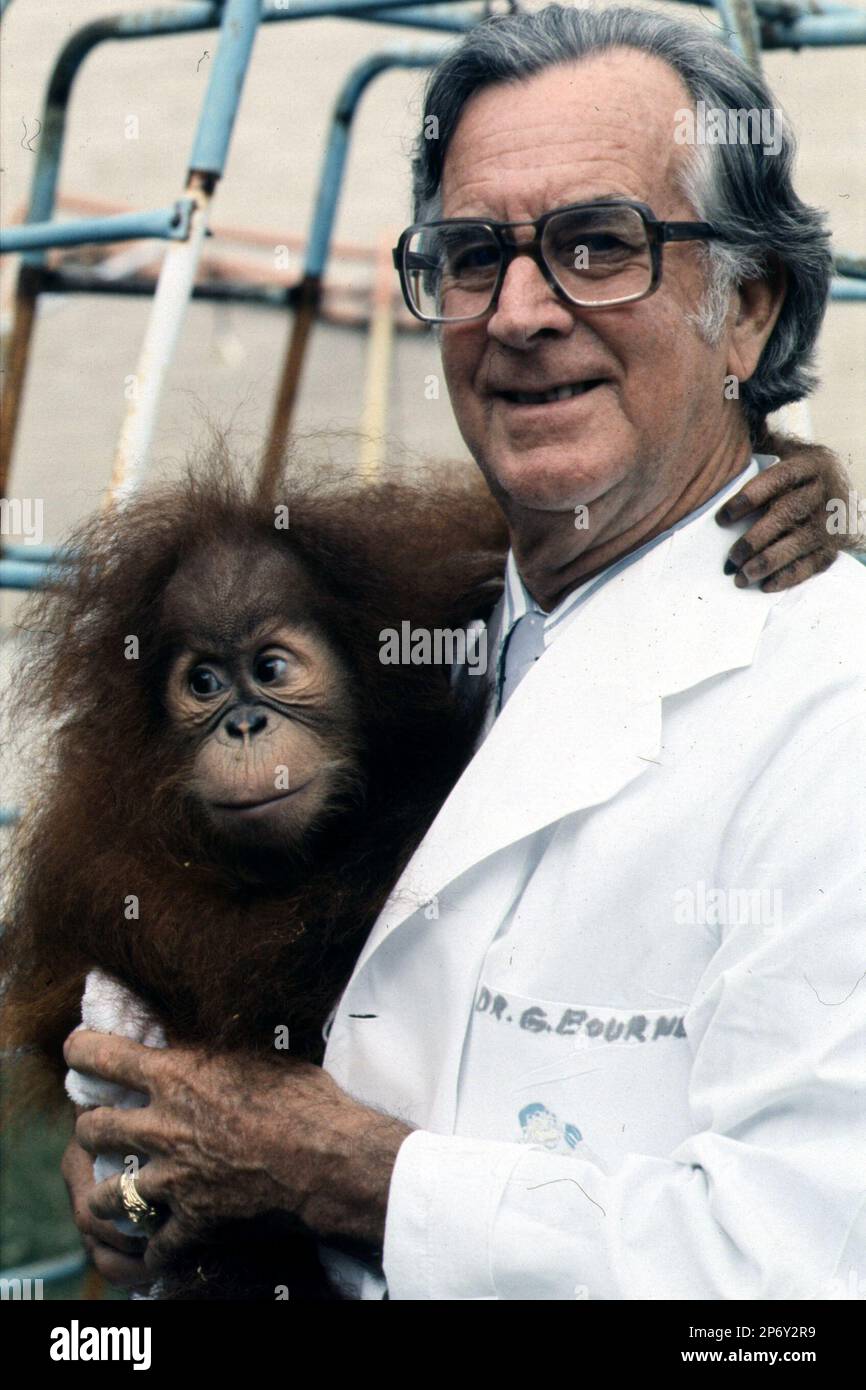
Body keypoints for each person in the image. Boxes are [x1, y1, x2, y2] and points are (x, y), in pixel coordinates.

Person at [63, 5, 865, 1300]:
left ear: (747, 312)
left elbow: (795, 1284)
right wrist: (142, 1160)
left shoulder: (830, 709)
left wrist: (355, 1176)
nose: (520, 311)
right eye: (472, 254)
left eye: (598, 245)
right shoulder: (419, 629)